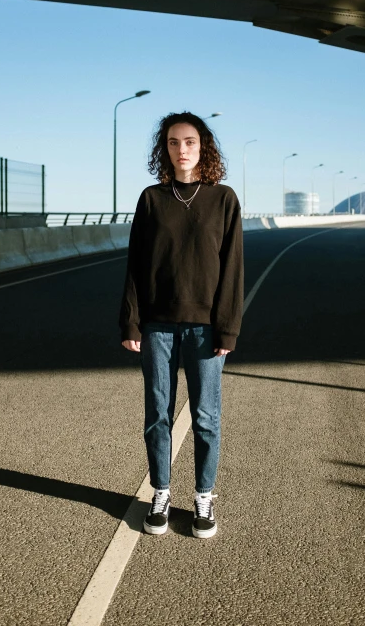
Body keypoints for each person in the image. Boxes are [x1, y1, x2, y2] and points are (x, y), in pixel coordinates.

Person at [119, 112, 244, 539]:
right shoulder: (151, 199)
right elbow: (136, 265)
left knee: (206, 416)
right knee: (158, 414)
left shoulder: (224, 199)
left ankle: (204, 498)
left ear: (203, 146)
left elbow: (233, 270)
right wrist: (131, 323)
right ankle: (161, 492)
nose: (181, 150)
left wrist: (228, 328)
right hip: (157, 326)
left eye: (189, 141)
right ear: (165, 148)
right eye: (173, 142)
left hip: (205, 329)